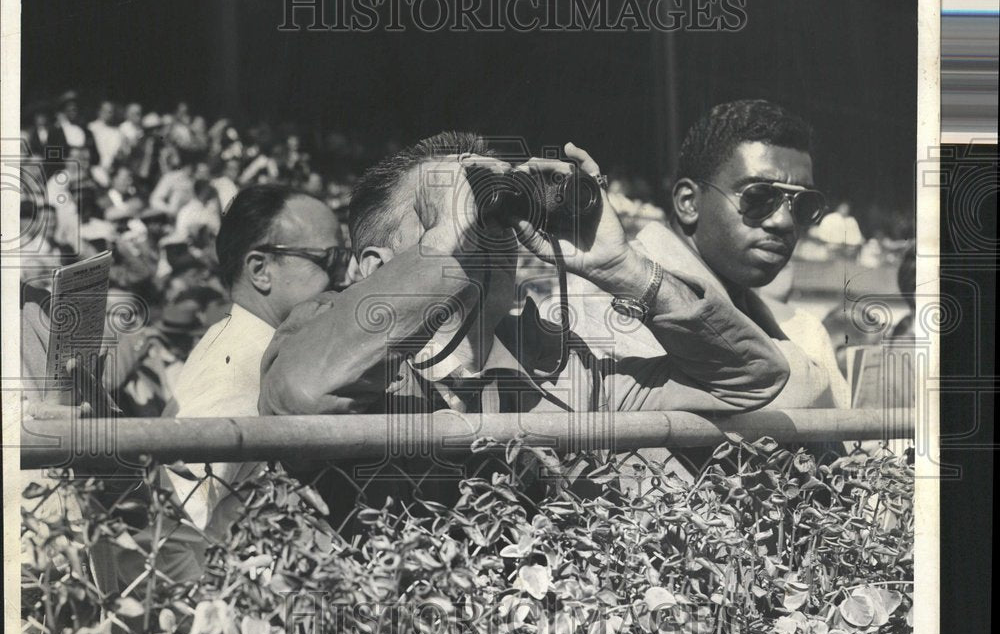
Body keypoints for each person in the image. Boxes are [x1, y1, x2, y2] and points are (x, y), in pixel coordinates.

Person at [258, 131, 793, 517]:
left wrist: (620, 267)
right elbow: (302, 395)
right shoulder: (323, 327)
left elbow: (750, 380)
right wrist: (444, 241)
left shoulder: (560, 366)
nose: (483, 234)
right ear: (375, 269)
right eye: (454, 214)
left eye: (492, 215)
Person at [622, 100, 850, 409]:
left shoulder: (800, 326)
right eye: (758, 197)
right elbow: (776, 398)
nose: (783, 221)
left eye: (803, 205)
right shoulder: (617, 303)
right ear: (689, 202)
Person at [161, 184, 345, 552]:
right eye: (329, 260)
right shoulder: (241, 361)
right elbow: (181, 522)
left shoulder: (248, 341)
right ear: (260, 270)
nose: (345, 276)